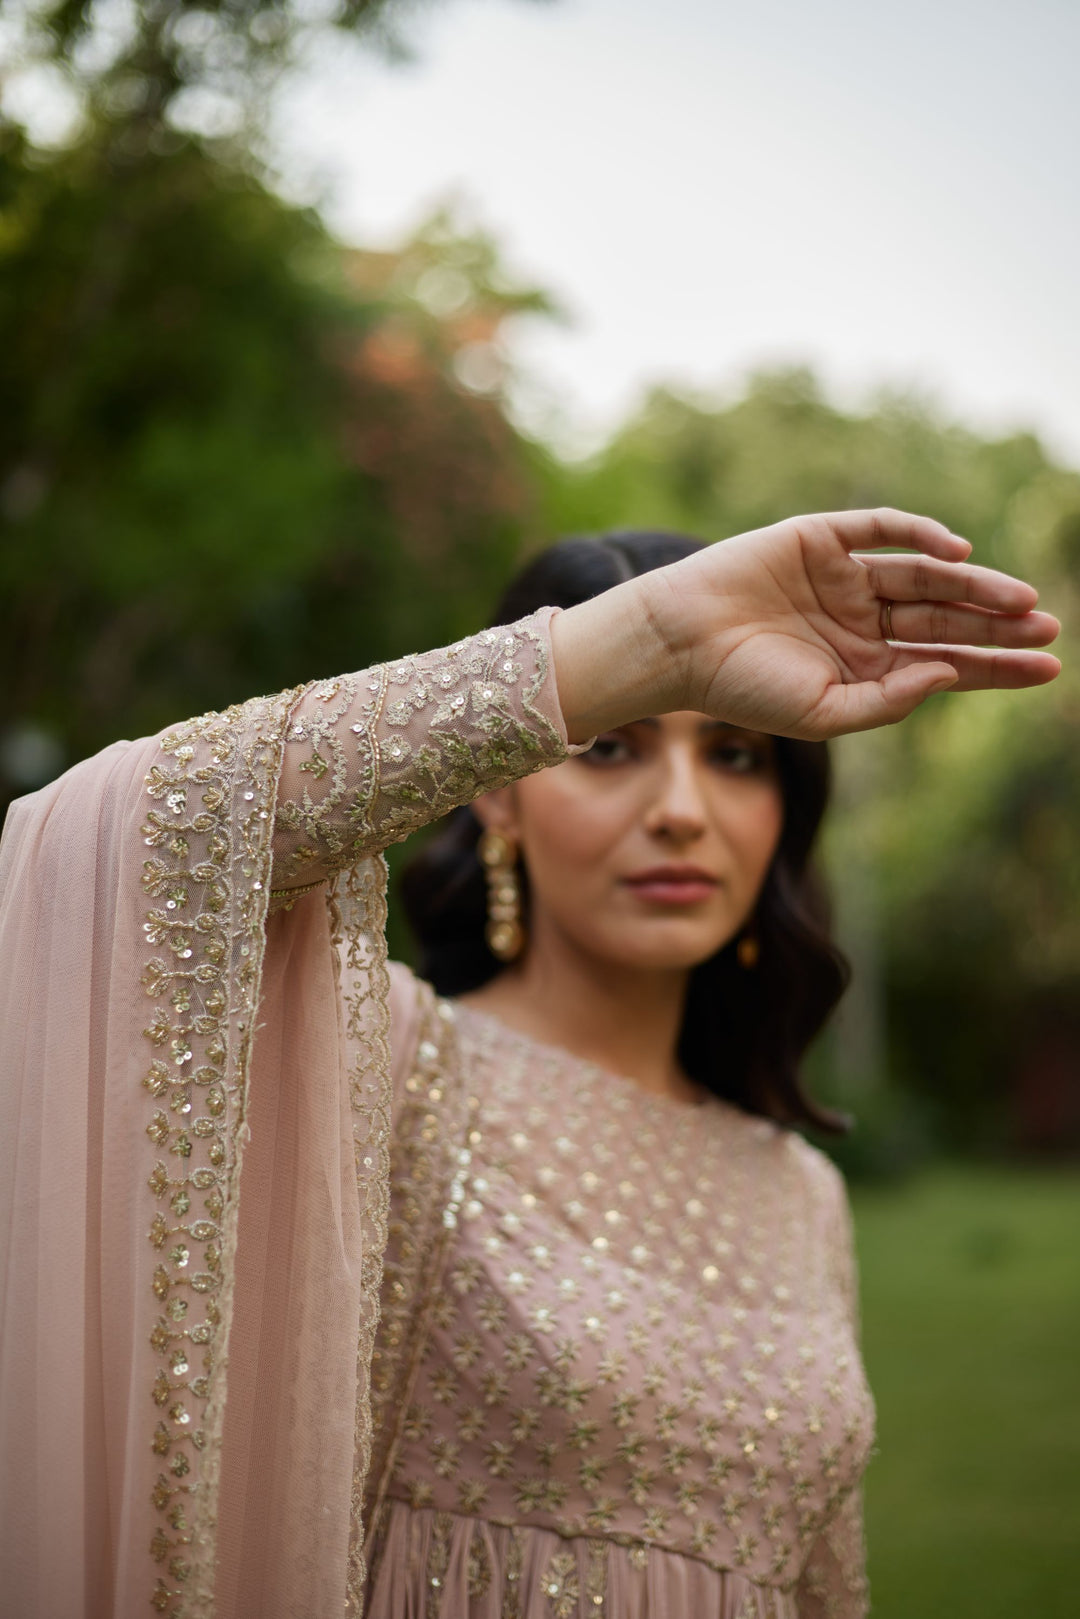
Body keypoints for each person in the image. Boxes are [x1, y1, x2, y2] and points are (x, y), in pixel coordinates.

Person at [0, 509, 1059, 1618]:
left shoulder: (801, 1192)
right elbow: (138, 847)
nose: (682, 811)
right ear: (499, 790)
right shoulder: (390, 1064)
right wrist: (628, 646)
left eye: (735, 755)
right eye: (614, 746)